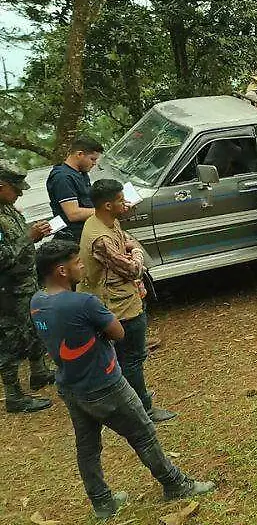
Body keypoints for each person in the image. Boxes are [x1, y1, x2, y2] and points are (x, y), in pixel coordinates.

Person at [31, 240, 215, 520]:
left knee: (87, 447)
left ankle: (102, 502)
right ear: (61, 271)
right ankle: (175, 484)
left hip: (70, 386)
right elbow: (118, 333)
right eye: (76, 261)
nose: (82, 265)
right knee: (143, 433)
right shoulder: (84, 302)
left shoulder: (37, 301)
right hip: (105, 384)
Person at [78, 179, 176, 422]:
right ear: (108, 205)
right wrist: (137, 252)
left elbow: (125, 242)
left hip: (122, 298)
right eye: (121, 200)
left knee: (125, 357)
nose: (127, 203)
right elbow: (133, 269)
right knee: (131, 358)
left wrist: (130, 250)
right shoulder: (101, 238)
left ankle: (129, 398)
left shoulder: (104, 222)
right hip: (119, 305)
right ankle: (142, 408)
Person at [0, 162, 54, 414]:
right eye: (15, 188)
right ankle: (14, 396)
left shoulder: (7, 208)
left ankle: (39, 372)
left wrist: (34, 234)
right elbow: (3, 258)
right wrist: (29, 237)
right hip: (7, 293)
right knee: (10, 341)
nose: (20, 193)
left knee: (34, 329)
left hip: (25, 285)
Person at [47, 135, 104, 242]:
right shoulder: (63, 177)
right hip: (74, 238)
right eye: (92, 159)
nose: (94, 163)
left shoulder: (81, 173)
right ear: (79, 154)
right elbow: (73, 214)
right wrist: (106, 211)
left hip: (89, 232)